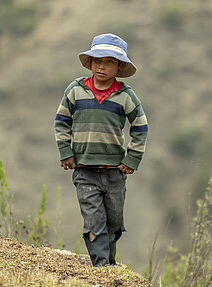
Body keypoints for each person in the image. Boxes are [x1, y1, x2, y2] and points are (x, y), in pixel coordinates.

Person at [54, 33, 148, 267]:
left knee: (113, 222)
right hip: (84, 170)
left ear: (120, 66)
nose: (101, 66)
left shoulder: (125, 95)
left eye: (109, 62)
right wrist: (65, 151)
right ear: (90, 63)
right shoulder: (75, 90)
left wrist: (132, 158)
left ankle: (109, 264)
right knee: (94, 221)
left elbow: (141, 127)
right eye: (97, 60)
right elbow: (61, 121)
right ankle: (101, 268)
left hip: (114, 172)